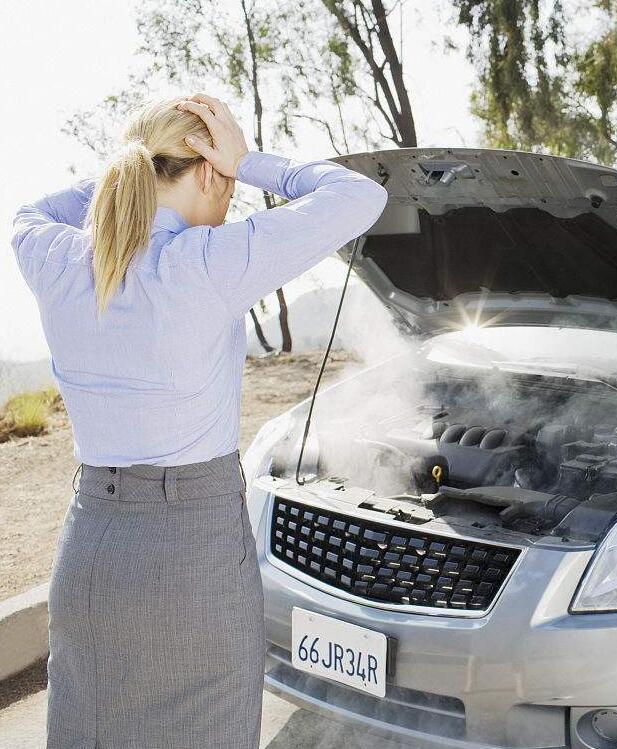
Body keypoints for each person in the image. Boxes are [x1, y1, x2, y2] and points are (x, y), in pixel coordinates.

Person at [10, 94, 388, 748]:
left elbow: (28, 214)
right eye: (230, 185)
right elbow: (359, 196)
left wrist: (131, 166)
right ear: (210, 172)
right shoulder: (206, 262)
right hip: (195, 548)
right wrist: (250, 159)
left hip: (93, 543)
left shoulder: (57, 258)